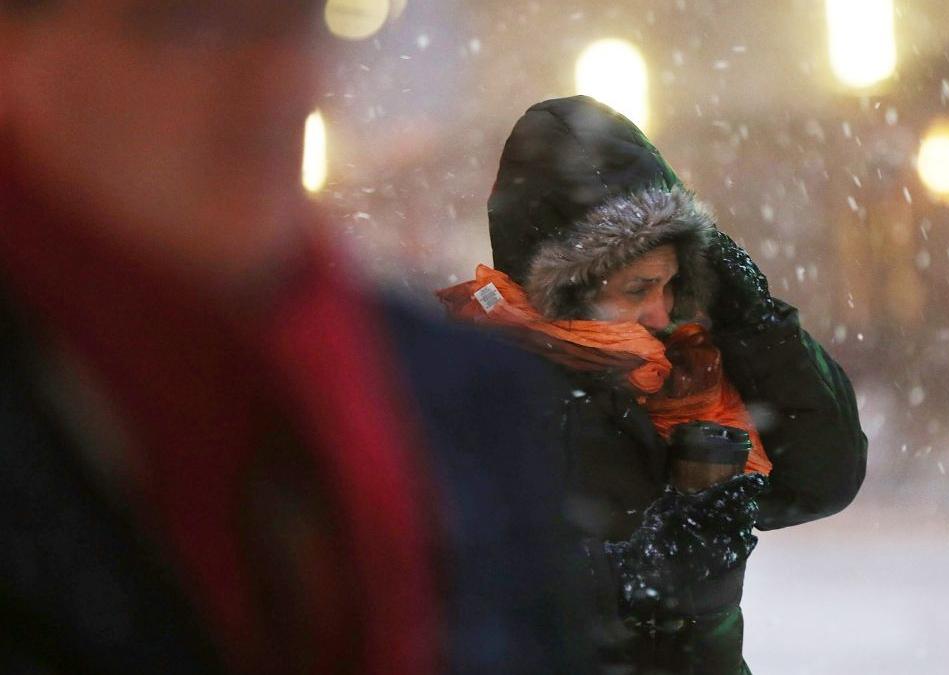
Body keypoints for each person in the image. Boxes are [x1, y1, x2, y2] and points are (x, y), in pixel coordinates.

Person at [0, 2, 584, 673]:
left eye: (296, 19)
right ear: (14, 45)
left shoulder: (473, 398)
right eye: (190, 25)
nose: (279, 80)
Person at [440, 96, 868, 673]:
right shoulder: (487, 390)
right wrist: (637, 575)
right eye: (638, 288)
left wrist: (753, 317)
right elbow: (463, 594)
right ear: (564, 288)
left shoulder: (676, 378)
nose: (662, 312)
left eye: (671, 284)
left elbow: (823, 478)